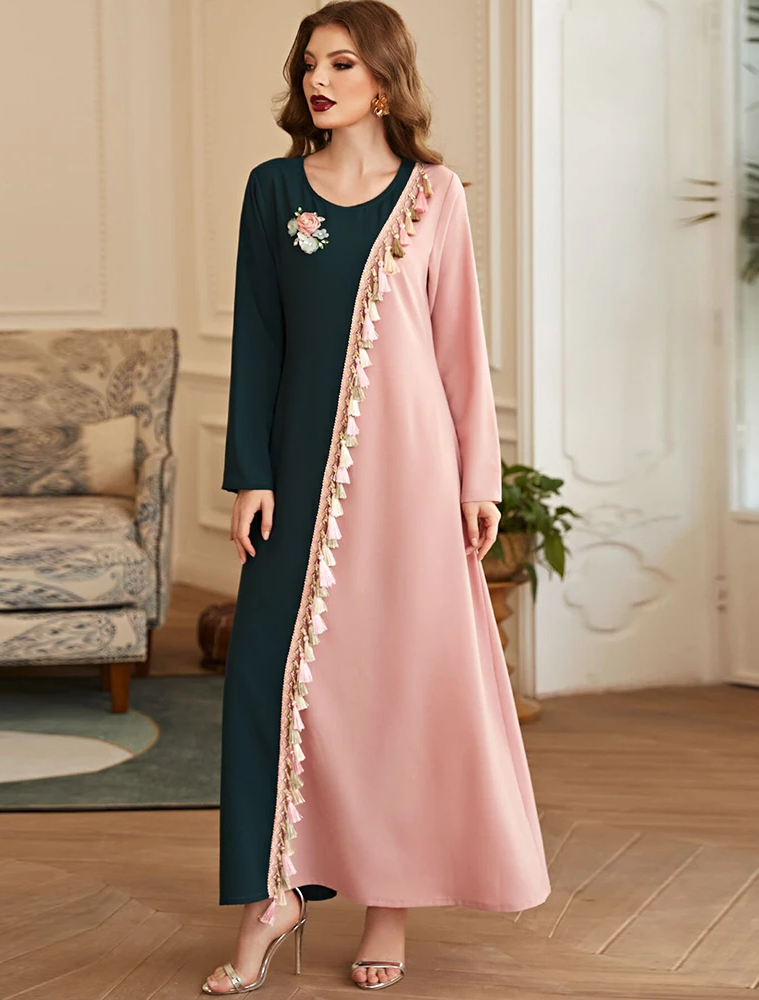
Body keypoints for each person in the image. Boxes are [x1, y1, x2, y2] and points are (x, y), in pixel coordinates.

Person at [204, 1, 551, 993]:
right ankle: (272, 895)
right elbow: (259, 337)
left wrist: (476, 478)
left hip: (412, 476)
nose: (318, 80)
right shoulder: (274, 190)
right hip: (296, 472)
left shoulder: (434, 195)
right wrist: (251, 471)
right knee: (268, 677)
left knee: (396, 680)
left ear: (386, 81)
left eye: (342, 63)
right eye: (310, 63)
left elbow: (459, 348)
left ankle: (387, 903)